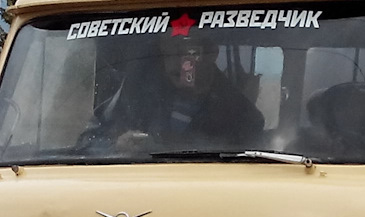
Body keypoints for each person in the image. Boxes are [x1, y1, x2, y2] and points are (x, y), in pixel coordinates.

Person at [93, 36, 264, 150]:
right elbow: (87, 142)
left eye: (187, 54)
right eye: (168, 54)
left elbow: (248, 172)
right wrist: (115, 146)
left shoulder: (243, 116)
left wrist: (178, 148)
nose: (176, 64)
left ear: (212, 54)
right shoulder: (136, 96)